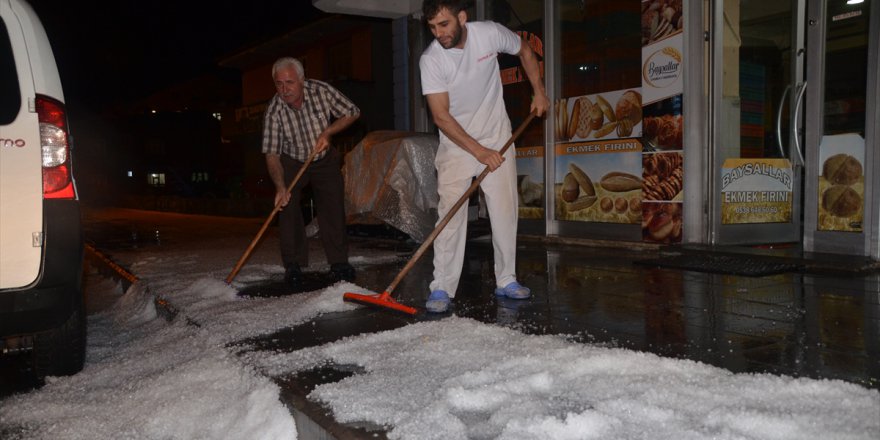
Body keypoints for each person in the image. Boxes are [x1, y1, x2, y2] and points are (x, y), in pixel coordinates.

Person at [419, 0, 550, 313]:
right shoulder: (432, 60)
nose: (439, 33)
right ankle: (441, 287)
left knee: (504, 210)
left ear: (462, 17)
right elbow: (440, 116)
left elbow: (525, 52)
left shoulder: (489, 34)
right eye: (432, 28)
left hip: (496, 134)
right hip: (456, 143)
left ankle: (506, 279)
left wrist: (539, 90)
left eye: (444, 24)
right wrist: (478, 151)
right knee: (451, 213)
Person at [261, 57, 360, 287]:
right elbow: (272, 154)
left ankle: (339, 262)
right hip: (292, 160)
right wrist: (280, 186)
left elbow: (353, 112)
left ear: (302, 80)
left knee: (332, 206)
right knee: (286, 205)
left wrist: (328, 132)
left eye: (290, 82)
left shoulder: (321, 91)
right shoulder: (274, 110)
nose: (284, 89)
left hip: (324, 158)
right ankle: (293, 264)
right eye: (279, 84)